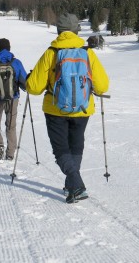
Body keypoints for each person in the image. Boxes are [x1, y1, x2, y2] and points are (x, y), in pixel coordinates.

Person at [26, 13, 109, 203]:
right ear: (75, 31)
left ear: (59, 31)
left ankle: (76, 185)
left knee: (61, 149)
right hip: (82, 108)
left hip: (56, 109)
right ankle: (72, 185)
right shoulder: (87, 52)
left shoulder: (51, 52)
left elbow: (34, 87)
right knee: (75, 146)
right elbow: (102, 86)